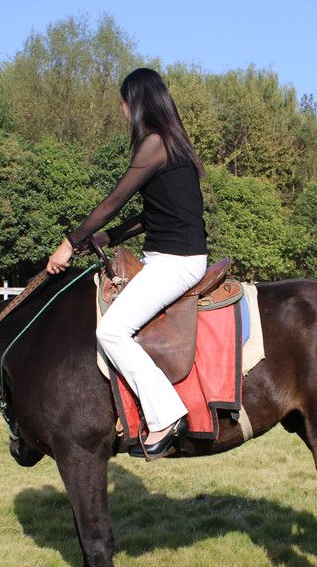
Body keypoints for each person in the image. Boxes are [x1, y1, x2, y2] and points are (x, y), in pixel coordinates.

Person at [46, 67, 209, 459]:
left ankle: (167, 414)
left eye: (123, 103)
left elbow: (113, 200)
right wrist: (111, 238)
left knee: (113, 332)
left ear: (136, 103)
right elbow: (155, 214)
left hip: (177, 262)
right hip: (166, 256)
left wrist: (70, 242)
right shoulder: (171, 144)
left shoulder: (155, 143)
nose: (122, 111)